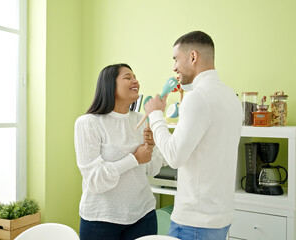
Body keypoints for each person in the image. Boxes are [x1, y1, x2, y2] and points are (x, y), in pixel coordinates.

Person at [144, 31, 242, 240]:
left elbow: (174, 156)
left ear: (193, 57)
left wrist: (155, 115)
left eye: (176, 59)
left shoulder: (196, 98)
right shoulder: (231, 97)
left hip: (194, 223)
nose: (174, 68)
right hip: (221, 218)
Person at [74, 63, 164, 240]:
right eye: (127, 77)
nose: (135, 81)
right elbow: (96, 180)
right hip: (101, 219)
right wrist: (134, 159)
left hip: (143, 216)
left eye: (135, 77)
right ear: (109, 85)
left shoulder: (142, 119)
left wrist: (151, 147)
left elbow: (153, 169)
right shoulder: (88, 123)